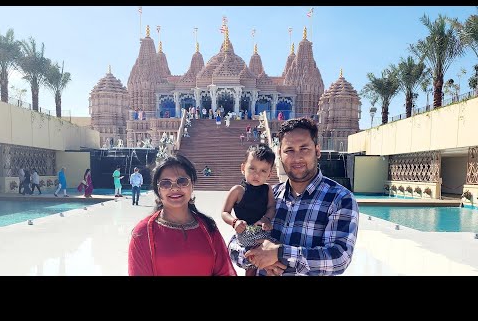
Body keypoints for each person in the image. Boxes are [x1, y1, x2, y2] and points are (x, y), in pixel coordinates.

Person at [228, 117, 359, 276]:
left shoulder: (339, 199)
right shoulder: (270, 194)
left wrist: (280, 254)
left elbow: (339, 258)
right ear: (279, 154)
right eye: (289, 150)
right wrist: (257, 257)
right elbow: (234, 246)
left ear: (317, 151)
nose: (297, 158)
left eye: (304, 148)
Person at [128, 154, 237, 276]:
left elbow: (224, 272)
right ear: (158, 190)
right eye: (165, 183)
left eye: (182, 181)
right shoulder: (144, 233)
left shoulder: (207, 227)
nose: (174, 188)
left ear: (192, 185)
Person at [222, 144, 276, 276]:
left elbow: (271, 207)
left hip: (263, 232)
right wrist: (234, 222)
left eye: (263, 171)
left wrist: (266, 219)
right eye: (252, 168)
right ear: (243, 168)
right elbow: (225, 212)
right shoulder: (238, 190)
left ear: (270, 174)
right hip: (245, 234)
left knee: (273, 261)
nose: (257, 174)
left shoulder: (267, 189)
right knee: (251, 264)